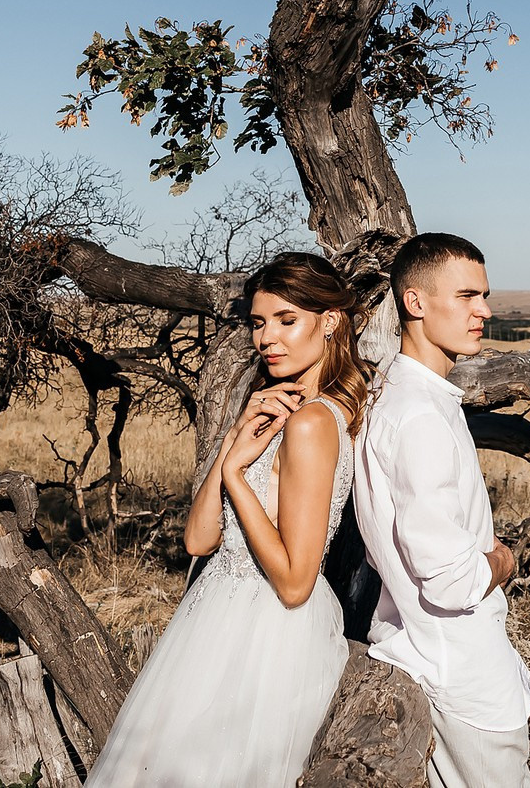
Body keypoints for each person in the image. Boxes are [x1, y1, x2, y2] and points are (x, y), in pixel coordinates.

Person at [86, 252, 369, 788]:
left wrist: (237, 476)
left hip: (270, 636)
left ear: (330, 322)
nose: (268, 338)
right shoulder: (267, 409)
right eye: (260, 323)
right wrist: (235, 438)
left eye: (288, 321)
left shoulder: (313, 422)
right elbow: (198, 539)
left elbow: (294, 582)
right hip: (215, 615)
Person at [353, 233, 530, 788]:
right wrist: (503, 562)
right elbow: (452, 581)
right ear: (415, 303)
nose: (484, 311)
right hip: (461, 669)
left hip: (440, 654)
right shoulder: (418, 416)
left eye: (484, 295)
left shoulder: (413, 397)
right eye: (466, 296)